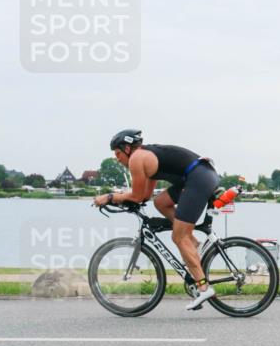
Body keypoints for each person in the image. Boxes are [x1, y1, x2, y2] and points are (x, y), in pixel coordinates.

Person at [94, 129, 220, 310]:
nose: (117, 158)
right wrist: (126, 200)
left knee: (178, 237)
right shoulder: (145, 157)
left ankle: (203, 288)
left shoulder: (137, 159)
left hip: (198, 179)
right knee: (160, 202)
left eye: (118, 153)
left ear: (127, 148)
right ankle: (193, 243)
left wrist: (110, 197)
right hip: (199, 175)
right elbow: (144, 195)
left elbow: (136, 196)